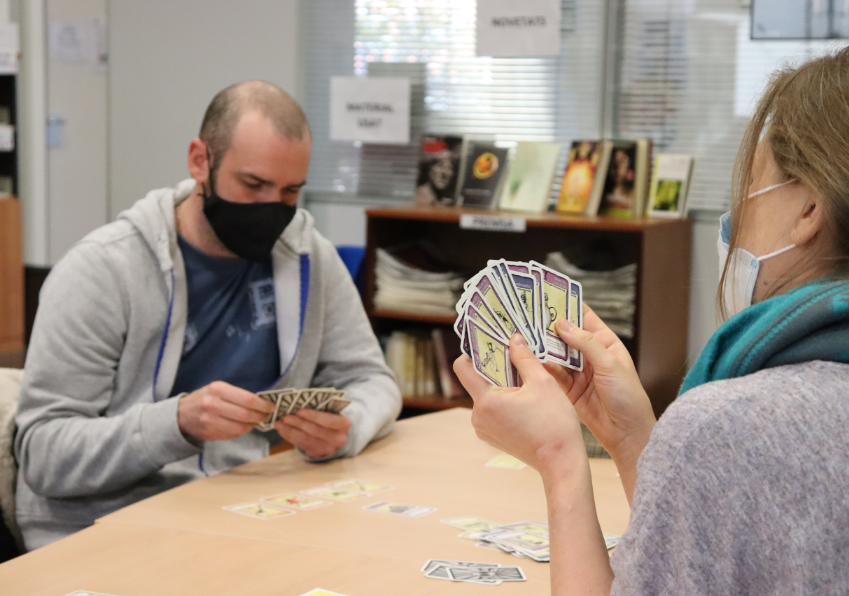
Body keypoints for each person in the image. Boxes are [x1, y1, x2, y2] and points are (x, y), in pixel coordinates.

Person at [455, 48, 849, 595]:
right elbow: (721, 544)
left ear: (809, 210)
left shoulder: (730, 423)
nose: (734, 222)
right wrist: (633, 437)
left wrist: (558, 457)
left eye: (749, 193)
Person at [14, 81, 402, 550]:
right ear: (201, 161)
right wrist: (174, 424)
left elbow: (372, 380)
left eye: (290, 191)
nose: (270, 209)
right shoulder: (102, 270)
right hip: (100, 529)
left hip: (236, 513)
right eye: (253, 184)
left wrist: (344, 430)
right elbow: (44, 455)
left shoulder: (305, 255)